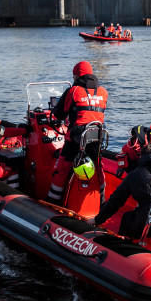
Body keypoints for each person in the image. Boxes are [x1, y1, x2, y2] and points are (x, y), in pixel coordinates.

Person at [46, 61, 109, 205]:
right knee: (98, 167)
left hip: (76, 137)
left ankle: (52, 202)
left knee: (63, 167)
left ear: (76, 75)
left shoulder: (73, 90)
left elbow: (59, 114)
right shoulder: (103, 92)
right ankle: (102, 201)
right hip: (97, 135)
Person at [88, 143, 151, 239]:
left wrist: (97, 220)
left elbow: (115, 201)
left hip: (149, 226)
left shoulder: (135, 174)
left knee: (127, 217)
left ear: (141, 157)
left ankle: (124, 243)